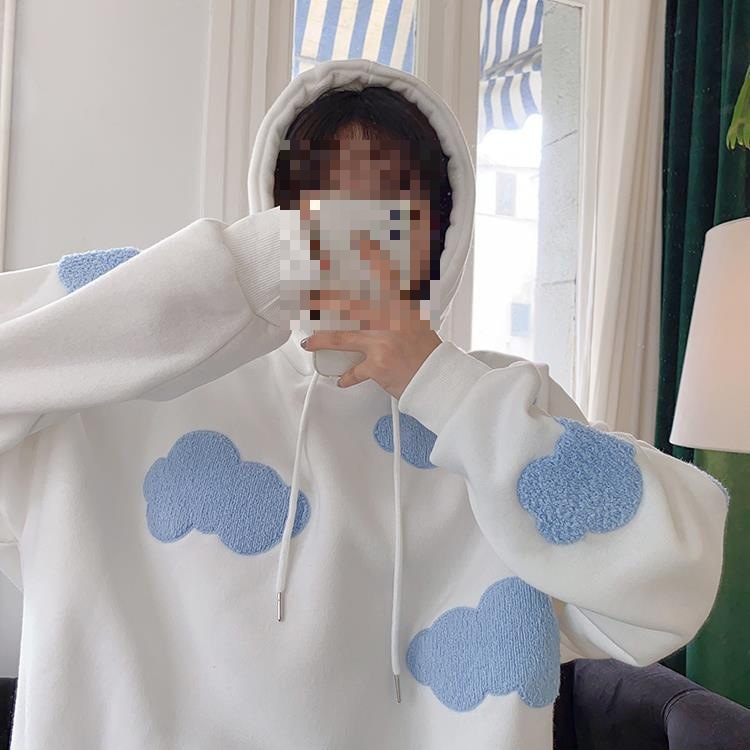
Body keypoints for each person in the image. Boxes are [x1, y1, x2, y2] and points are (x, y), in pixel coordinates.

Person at [0, 58, 729, 750]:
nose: (351, 239)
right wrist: (245, 272)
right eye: (315, 209)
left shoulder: (498, 408)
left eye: (390, 211)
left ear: (439, 235)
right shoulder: (133, 371)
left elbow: (674, 579)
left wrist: (442, 386)